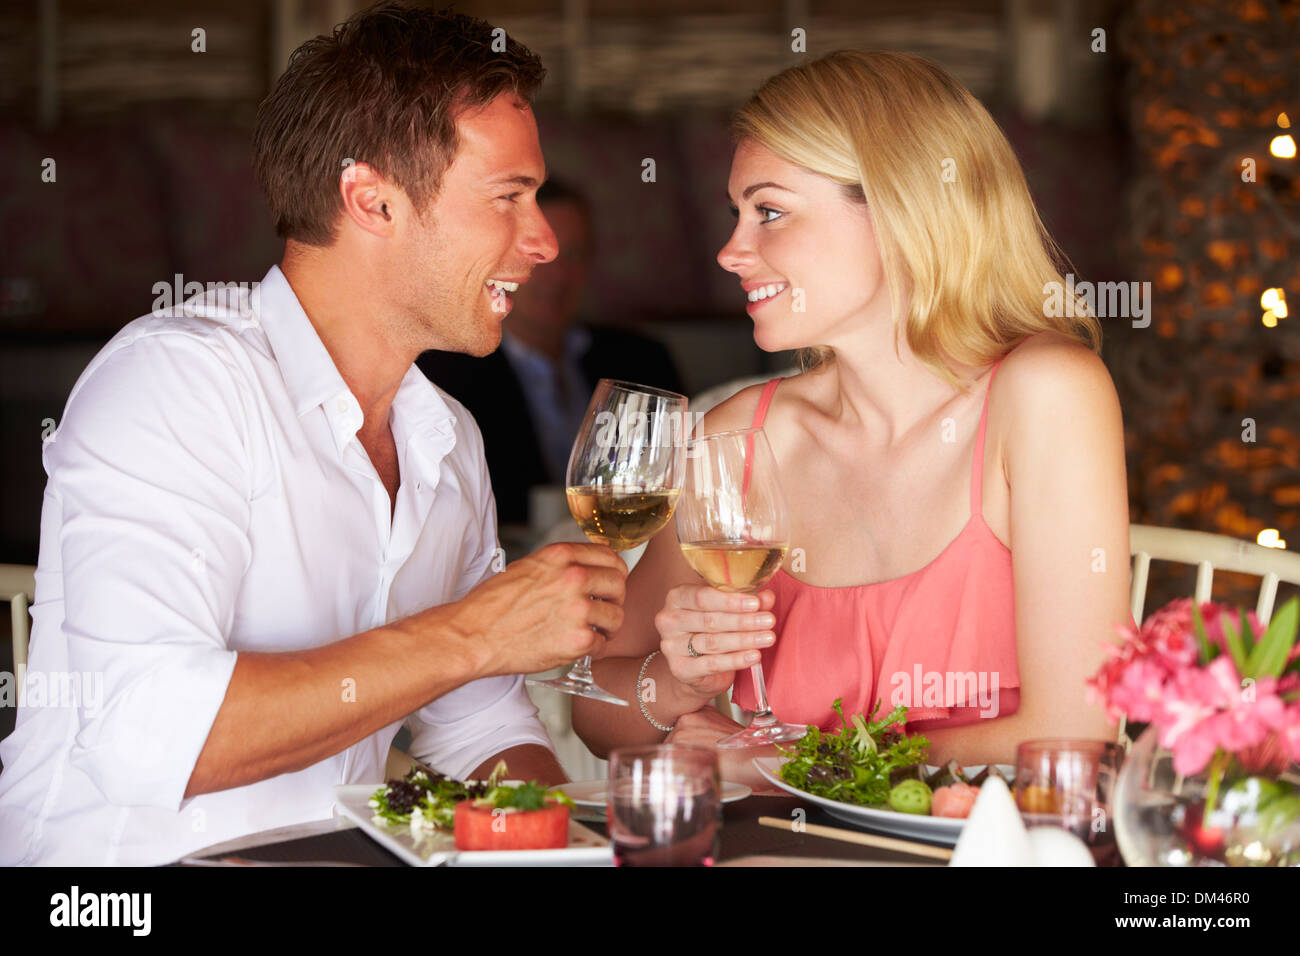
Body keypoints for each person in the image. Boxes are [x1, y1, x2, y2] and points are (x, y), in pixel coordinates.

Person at [0, 5, 628, 865]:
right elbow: (147, 734)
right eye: (508, 197)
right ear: (371, 200)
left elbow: (477, 722)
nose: (545, 240)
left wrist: (570, 851)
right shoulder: (178, 384)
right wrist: (476, 631)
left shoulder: (448, 436)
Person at [572, 50, 1131, 788]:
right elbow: (594, 709)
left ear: (902, 209)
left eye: (769, 211)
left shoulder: (1046, 395)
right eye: (736, 214)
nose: (732, 251)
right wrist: (677, 687)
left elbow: (1072, 734)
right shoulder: (742, 438)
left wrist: (788, 762)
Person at [417, 179, 684, 526]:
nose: (558, 275)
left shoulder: (642, 359)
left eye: (572, 255)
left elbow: (679, 479)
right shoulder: (444, 372)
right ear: (503, 260)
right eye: (540, 257)